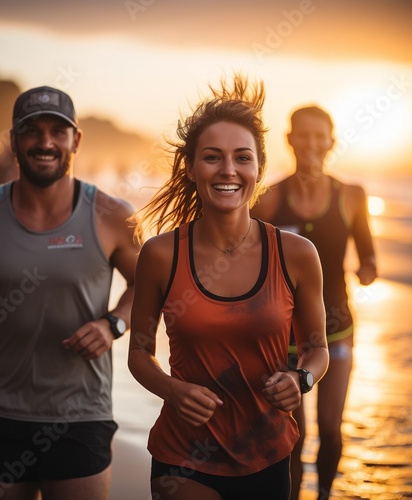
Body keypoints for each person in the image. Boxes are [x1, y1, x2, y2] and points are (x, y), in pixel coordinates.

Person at [0, 86, 141, 500]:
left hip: (81, 414)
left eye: (57, 131)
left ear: (75, 140)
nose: (45, 142)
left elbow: (150, 287)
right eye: (32, 130)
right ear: (13, 140)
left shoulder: (113, 216)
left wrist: (113, 323)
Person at [127, 75, 330, 500]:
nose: (229, 170)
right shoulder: (162, 254)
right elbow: (139, 355)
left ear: (259, 167)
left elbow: (318, 348)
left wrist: (302, 379)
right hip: (183, 456)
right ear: (191, 166)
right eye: (212, 157)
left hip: (267, 452)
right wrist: (173, 390)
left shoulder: (295, 254)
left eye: (242, 157)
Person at [251, 105, 377, 499]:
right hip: (282, 338)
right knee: (294, 433)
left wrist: (368, 270)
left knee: (330, 427)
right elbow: (241, 255)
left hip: (336, 330)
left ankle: (323, 494)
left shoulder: (352, 196)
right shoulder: (269, 199)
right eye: (302, 135)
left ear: (331, 142)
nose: (311, 144)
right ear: (288, 139)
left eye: (319, 136)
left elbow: (368, 254)